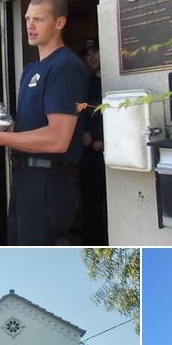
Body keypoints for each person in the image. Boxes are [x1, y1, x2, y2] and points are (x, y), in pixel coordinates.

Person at [0, 0, 88, 246]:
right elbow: (23, 128)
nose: (30, 26)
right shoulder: (31, 70)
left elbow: (58, 139)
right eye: (27, 19)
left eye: (39, 19)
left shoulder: (66, 67)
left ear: (59, 23)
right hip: (25, 178)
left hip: (50, 181)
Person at [78, 39, 108, 245]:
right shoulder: (87, 84)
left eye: (95, 51)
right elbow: (81, 112)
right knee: (91, 203)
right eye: (88, 54)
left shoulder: (112, 81)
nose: (92, 57)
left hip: (110, 153)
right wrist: (83, 132)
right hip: (89, 155)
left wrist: (104, 140)